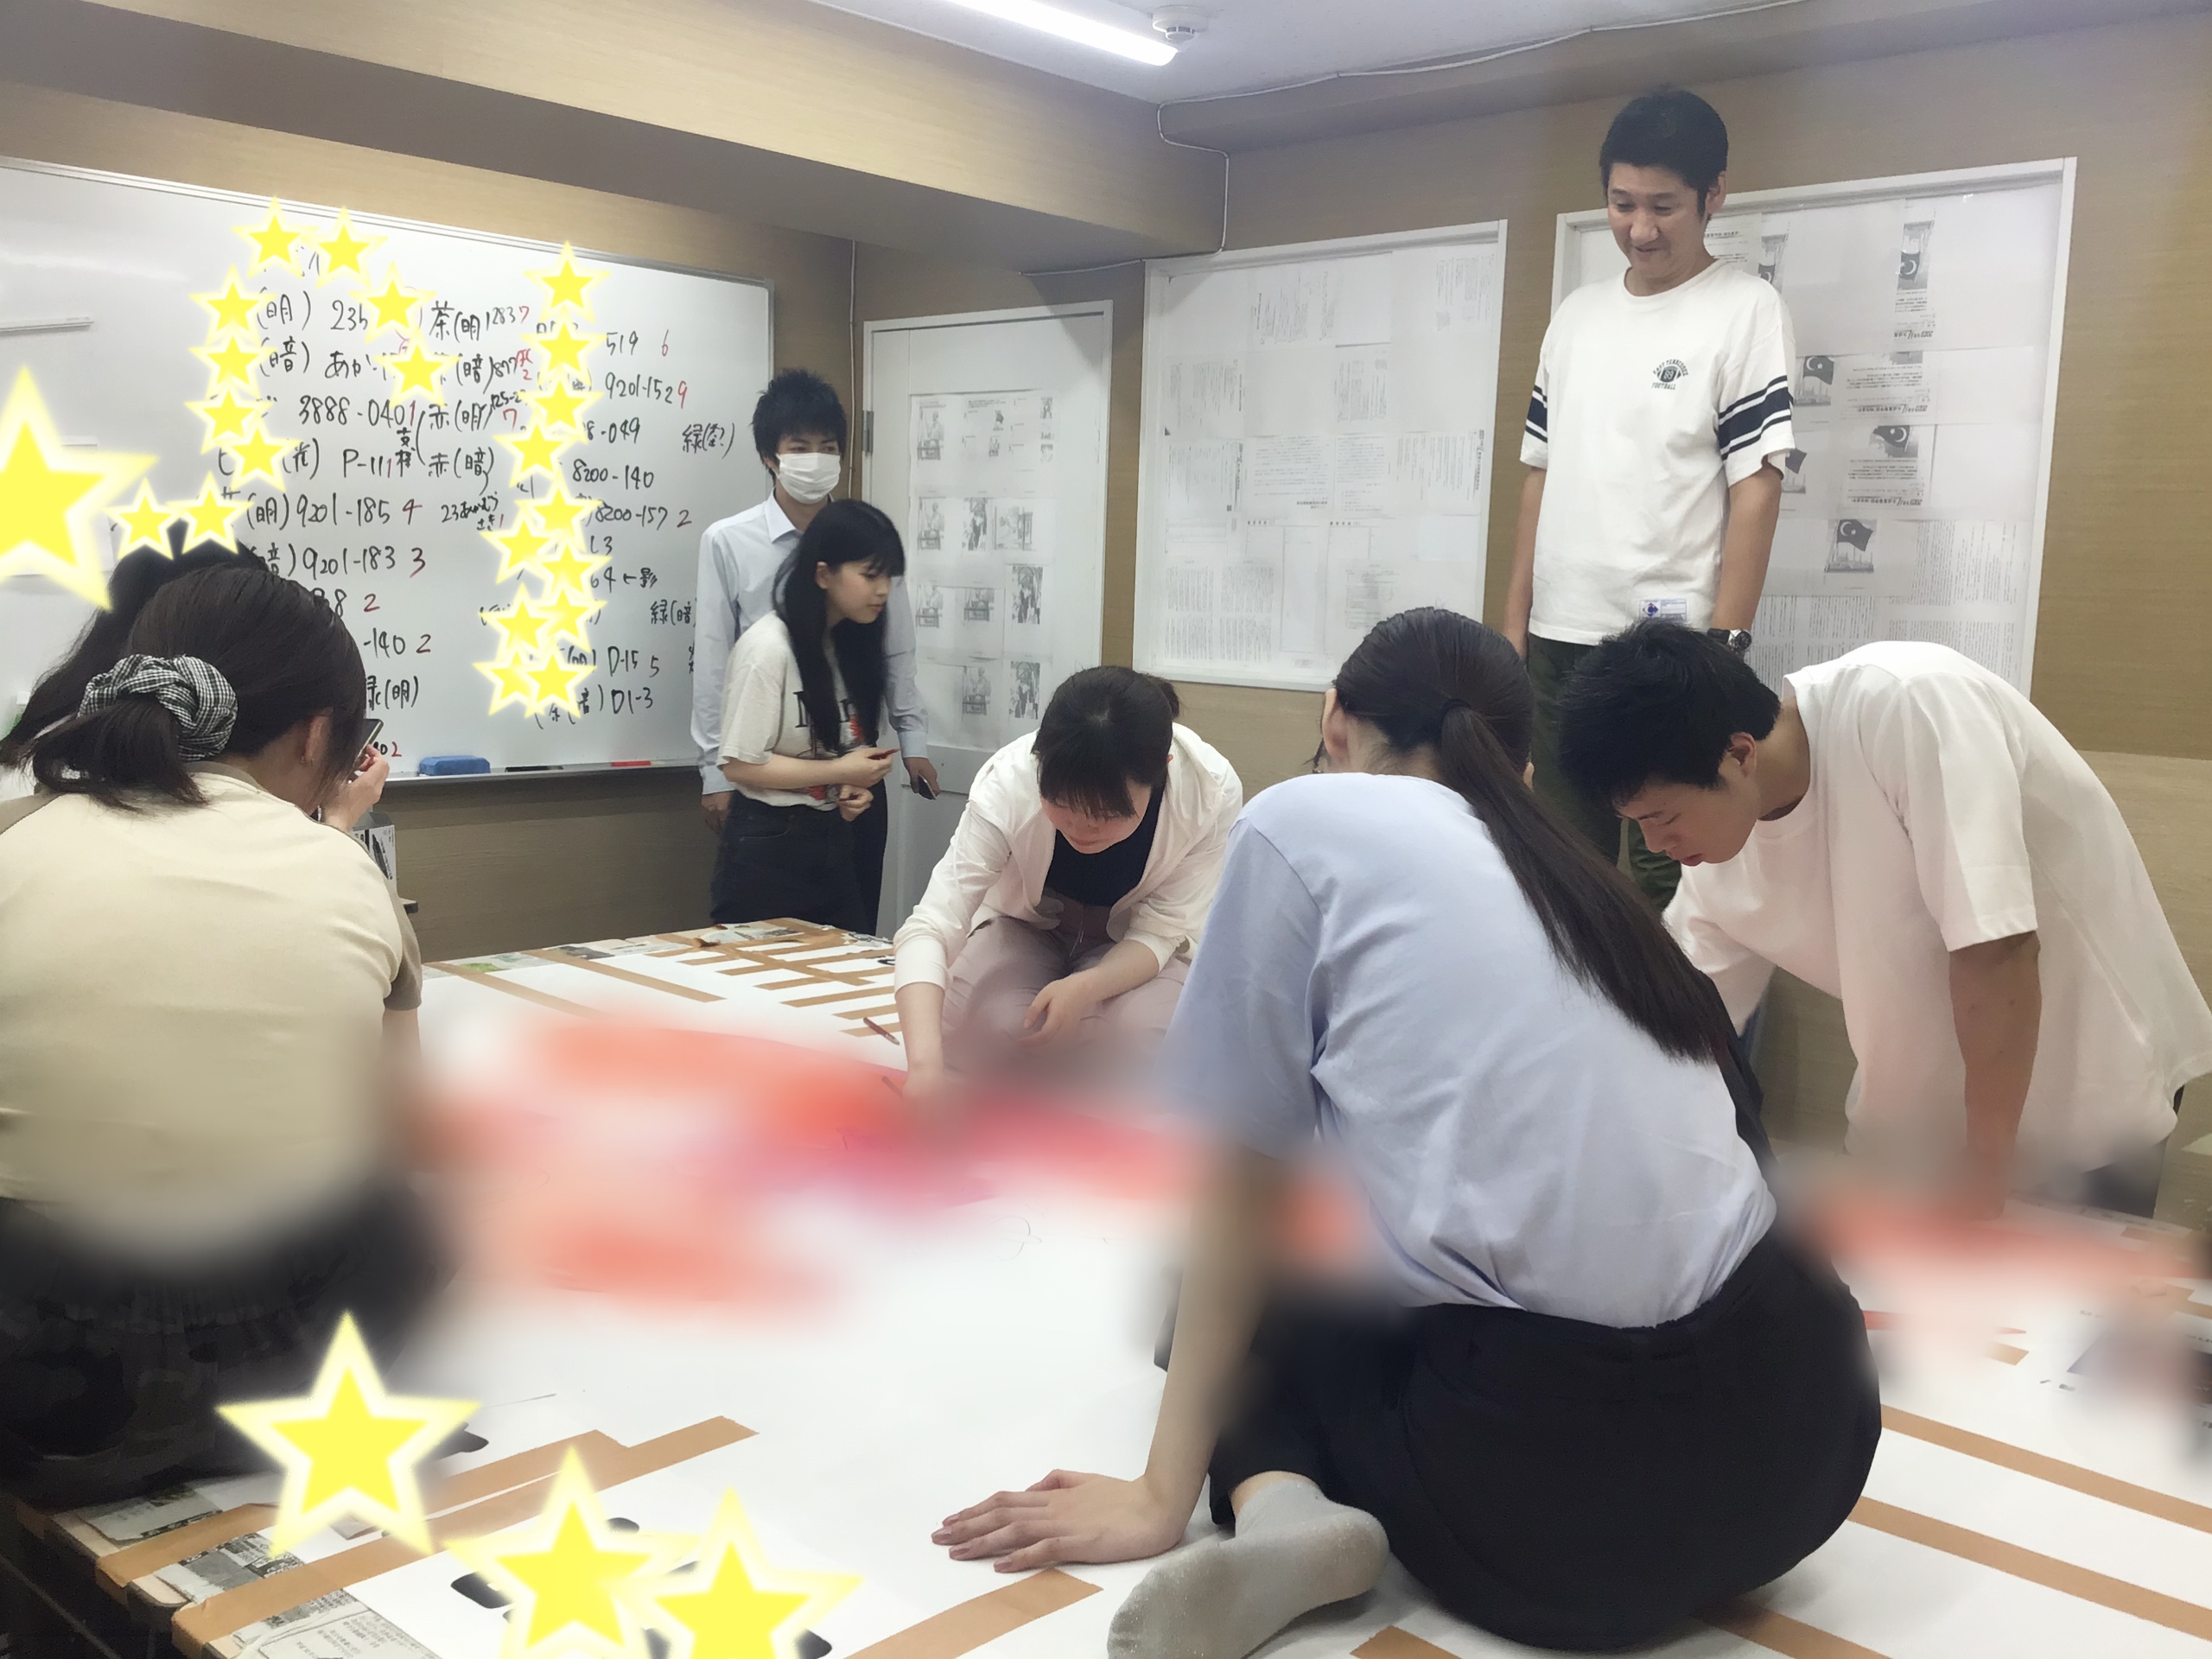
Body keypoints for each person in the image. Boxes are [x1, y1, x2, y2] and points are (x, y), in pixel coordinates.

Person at [932, 609, 1878, 1657]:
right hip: (1807, 1437)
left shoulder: (1297, 822)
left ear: (1334, 718)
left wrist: (1161, 1495)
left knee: (1229, 1291)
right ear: (1520, 765)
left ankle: (1283, 1505)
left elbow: (1242, 1184)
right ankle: (1302, 1503)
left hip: (1558, 1523)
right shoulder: (1582, 883)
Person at [0, 562, 442, 1508]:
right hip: (290, 1362)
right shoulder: (345, 869)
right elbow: (406, 1135)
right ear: (318, 734)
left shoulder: (15, 840)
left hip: (32, 1381)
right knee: (401, 1209)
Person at [1556, 623, 2212, 1220]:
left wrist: (1986, 1175)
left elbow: (1998, 950)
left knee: (2050, 1305)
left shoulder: (1909, 704)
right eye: (1637, 825)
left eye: (1662, 817)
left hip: (2085, 1082)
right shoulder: (1715, 859)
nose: (1655, 845)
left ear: (1740, 754)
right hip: (1915, 1114)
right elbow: (1679, 1028)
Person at [1503, 87, 1796, 909]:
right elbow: (1540, 474)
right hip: (1560, 637)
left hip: (1670, 648)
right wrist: (1512, 629)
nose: (1640, 228)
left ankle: (1683, 1000)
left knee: (1682, 869)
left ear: (1713, 195)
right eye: (1622, 203)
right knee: (1565, 871)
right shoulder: (1576, 317)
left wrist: (1725, 646)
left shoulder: (1744, 309)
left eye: (1663, 206)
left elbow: (1757, 484)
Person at [893, 668, 1240, 1095]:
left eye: (1107, 814)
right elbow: (933, 923)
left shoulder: (1208, 790)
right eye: (1060, 804)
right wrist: (924, 1069)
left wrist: (1084, 987)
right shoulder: (1010, 781)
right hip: (1026, 929)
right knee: (978, 1026)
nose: (1081, 828)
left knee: (1144, 1037)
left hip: (1133, 941)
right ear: (1040, 761)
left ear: (1161, 771)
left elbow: (1161, 931)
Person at [694, 369, 934, 929]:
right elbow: (713, 664)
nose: (816, 459)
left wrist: (912, 741)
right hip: (770, 779)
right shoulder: (730, 544)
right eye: (799, 447)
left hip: (851, 774)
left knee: (854, 933)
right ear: (769, 457)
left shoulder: (867, 540)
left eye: (828, 447)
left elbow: (897, 652)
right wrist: (714, 773)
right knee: (766, 944)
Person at [712, 499, 906, 932]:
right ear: (822, 574)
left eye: (889, 577)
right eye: (870, 575)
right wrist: (840, 770)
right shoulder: (768, 649)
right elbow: (740, 764)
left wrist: (848, 788)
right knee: (762, 971)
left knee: (848, 965)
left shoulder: (846, 645)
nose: (883, 591)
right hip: (768, 844)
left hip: (833, 837)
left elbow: (827, 749)